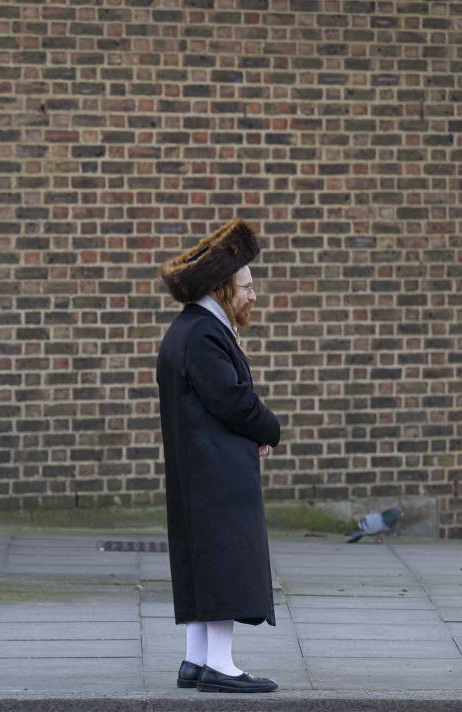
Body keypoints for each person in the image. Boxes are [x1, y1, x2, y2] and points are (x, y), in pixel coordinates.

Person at [156, 218, 282, 694]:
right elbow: (232, 400)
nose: (253, 294)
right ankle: (221, 666)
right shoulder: (205, 335)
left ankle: (196, 659)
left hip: (201, 471)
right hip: (215, 476)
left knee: (202, 561)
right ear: (225, 288)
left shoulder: (188, 330)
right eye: (247, 285)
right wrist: (270, 428)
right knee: (223, 560)